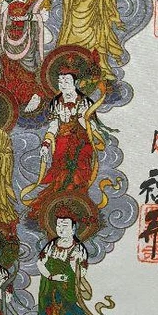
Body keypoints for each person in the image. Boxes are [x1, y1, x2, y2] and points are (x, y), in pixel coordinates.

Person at [35, 214, 110, 315]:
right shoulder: (51, 245)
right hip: (48, 286)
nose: (60, 229)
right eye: (58, 225)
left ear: (73, 228)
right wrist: (50, 276)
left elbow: (82, 272)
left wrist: (73, 265)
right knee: (48, 314)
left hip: (65, 288)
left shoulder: (78, 249)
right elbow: (40, 263)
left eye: (65, 226)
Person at [26, 67, 97, 220]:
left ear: (75, 82)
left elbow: (93, 128)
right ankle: (57, 208)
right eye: (60, 81)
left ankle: (76, 208)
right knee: (61, 176)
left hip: (81, 144)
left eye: (67, 80)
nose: (63, 84)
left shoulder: (85, 102)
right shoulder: (56, 102)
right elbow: (53, 126)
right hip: (62, 144)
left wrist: (82, 119)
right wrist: (46, 144)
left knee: (78, 177)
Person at [0, 0, 50, 113]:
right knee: (9, 66)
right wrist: (6, 1)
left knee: (28, 66)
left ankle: (33, 95)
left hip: (29, 33)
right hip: (9, 31)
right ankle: (11, 94)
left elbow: (44, 15)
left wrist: (28, 17)